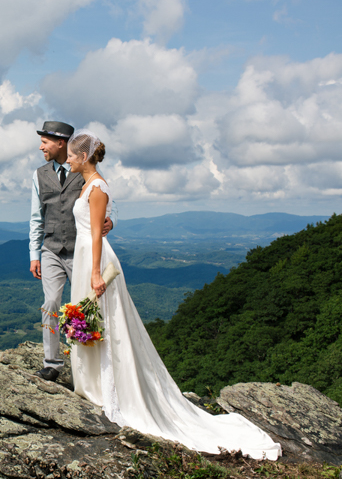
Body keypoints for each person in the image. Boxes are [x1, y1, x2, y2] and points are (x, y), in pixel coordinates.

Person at [66, 129, 281, 460]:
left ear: (83, 157)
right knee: (91, 319)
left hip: (94, 259)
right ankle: (92, 383)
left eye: (70, 155)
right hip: (84, 257)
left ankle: (109, 388)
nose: (67, 159)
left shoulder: (96, 187)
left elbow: (97, 234)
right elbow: (101, 225)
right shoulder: (88, 185)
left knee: (106, 322)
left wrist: (95, 273)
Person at [29, 121, 116, 382]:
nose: (41, 146)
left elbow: (101, 206)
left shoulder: (84, 170)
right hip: (51, 249)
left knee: (86, 306)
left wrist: (109, 222)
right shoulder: (38, 174)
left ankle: (91, 366)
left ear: (61, 143)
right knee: (51, 304)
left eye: (45, 141)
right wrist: (35, 254)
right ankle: (52, 363)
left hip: (80, 250)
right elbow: (36, 216)